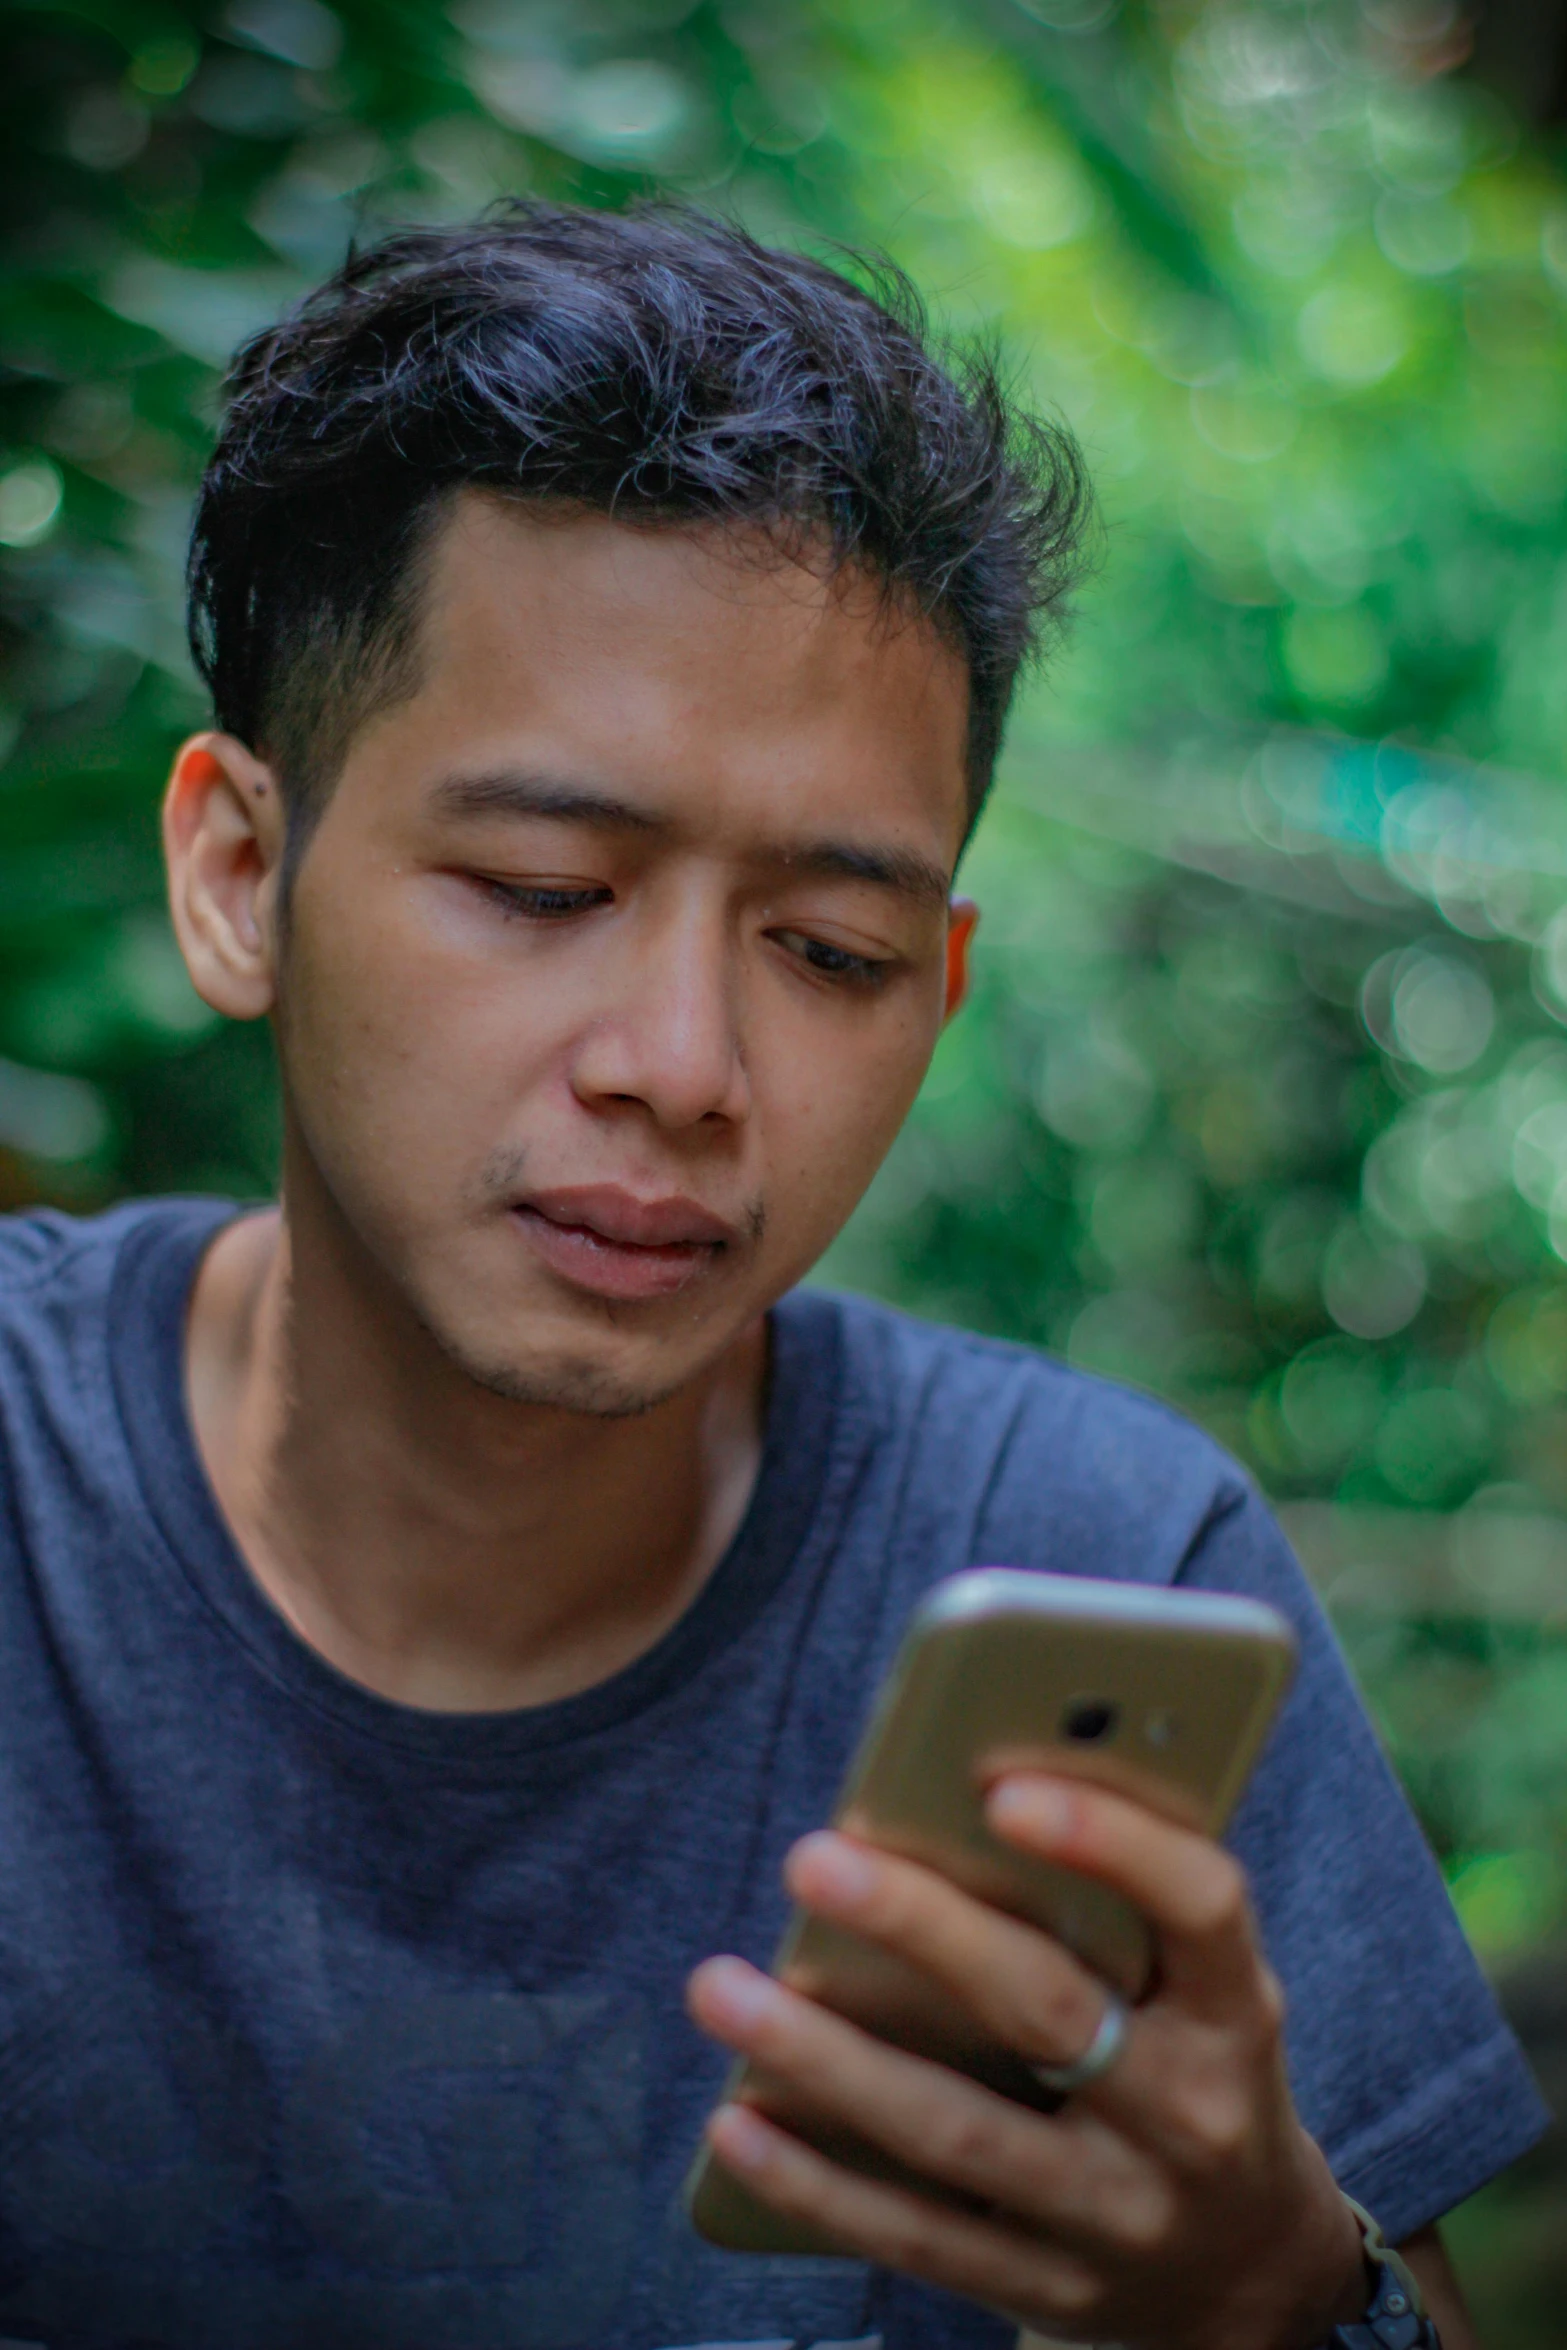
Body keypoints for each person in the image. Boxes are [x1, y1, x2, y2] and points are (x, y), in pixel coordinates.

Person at [0, 202, 1541, 2350]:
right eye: (545, 887)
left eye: (830, 952)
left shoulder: (1107, 1561)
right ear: (245, 875)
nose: (687, 1070)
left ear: (944, 985)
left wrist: (1281, 2297)